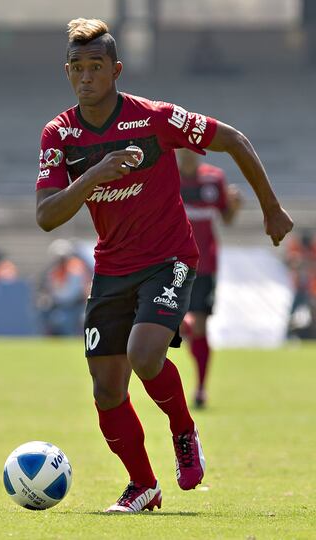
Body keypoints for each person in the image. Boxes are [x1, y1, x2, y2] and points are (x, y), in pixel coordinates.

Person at [35, 18, 293, 512]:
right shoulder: (59, 133)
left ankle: (183, 429)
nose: (86, 77)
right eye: (77, 68)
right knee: (107, 390)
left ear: (116, 70)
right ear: (67, 72)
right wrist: (92, 176)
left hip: (169, 258)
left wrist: (271, 207)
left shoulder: (154, 118)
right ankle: (143, 487)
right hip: (112, 267)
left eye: (96, 67)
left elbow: (233, 139)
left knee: (144, 355)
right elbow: (47, 216)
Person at [178, 149, 243, 408]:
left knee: (201, 326)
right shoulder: (168, 178)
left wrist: (234, 205)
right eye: (182, 150)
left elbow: (227, 218)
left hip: (204, 266)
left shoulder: (214, 179)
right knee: (180, 325)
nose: (187, 155)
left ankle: (201, 388)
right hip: (171, 265)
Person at [37, 239, 92, 336]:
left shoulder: (75, 268)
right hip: (62, 305)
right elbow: (45, 287)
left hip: (76, 305)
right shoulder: (53, 271)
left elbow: (72, 294)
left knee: (70, 323)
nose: (60, 261)